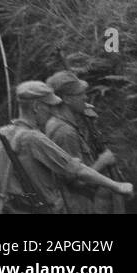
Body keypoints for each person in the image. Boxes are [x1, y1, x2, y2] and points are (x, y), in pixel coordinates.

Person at [0, 80, 133, 214]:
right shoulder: (35, 138)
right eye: (50, 107)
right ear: (36, 107)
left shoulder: (0, 134)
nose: (53, 112)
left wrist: (2, 176)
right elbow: (78, 170)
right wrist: (116, 185)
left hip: (9, 207)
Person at [44, 70, 119, 214]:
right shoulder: (65, 132)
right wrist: (103, 161)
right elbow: (76, 182)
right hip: (77, 207)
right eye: (80, 94)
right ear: (66, 98)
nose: (86, 97)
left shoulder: (59, 122)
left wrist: (88, 120)